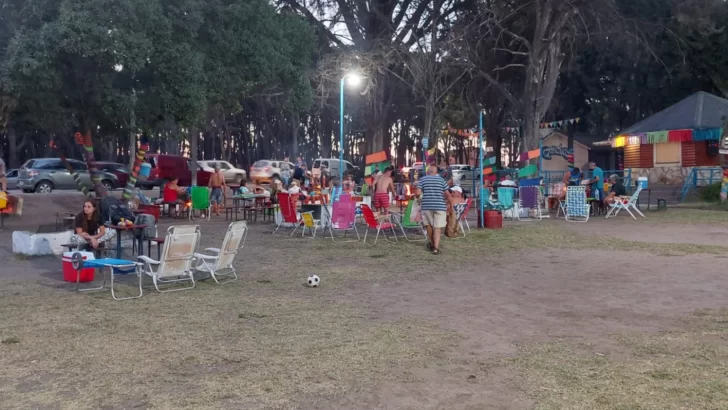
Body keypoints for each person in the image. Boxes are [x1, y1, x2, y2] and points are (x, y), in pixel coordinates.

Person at [417, 165, 451, 255]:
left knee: (428, 225)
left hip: (426, 205)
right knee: (437, 227)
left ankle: (432, 244)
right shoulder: (441, 180)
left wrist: (417, 198)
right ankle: (436, 248)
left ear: (427, 172)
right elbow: (447, 194)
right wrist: (451, 206)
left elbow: (417, 193)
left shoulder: (422, 179)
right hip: (440, 206)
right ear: (436, 173)